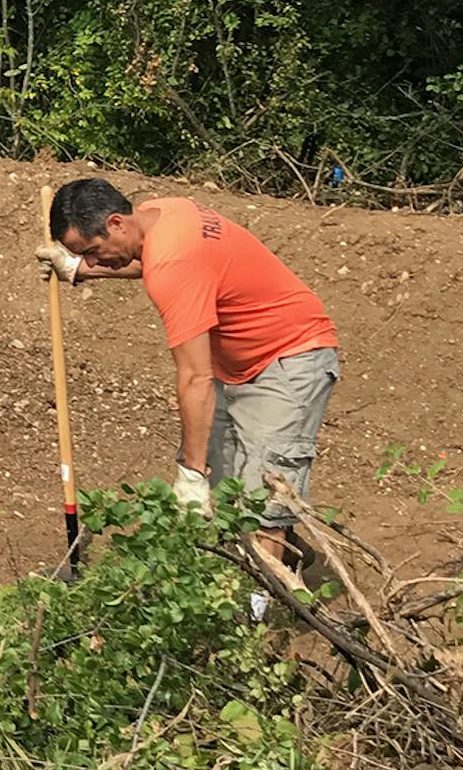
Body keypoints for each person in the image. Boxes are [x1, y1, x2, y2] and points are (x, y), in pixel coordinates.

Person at [39, 177, 340, 568]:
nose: (96, 260)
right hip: (240, 362)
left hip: (292, 357)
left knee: (264, 497)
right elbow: (153, 261)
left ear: (115, 223)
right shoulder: (165, 212)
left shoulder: (174, 262)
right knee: (229, 484)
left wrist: (191, 473)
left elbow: (195, 378)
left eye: (92, 252)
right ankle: (291, 557)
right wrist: (79, 269)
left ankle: (255, 618)